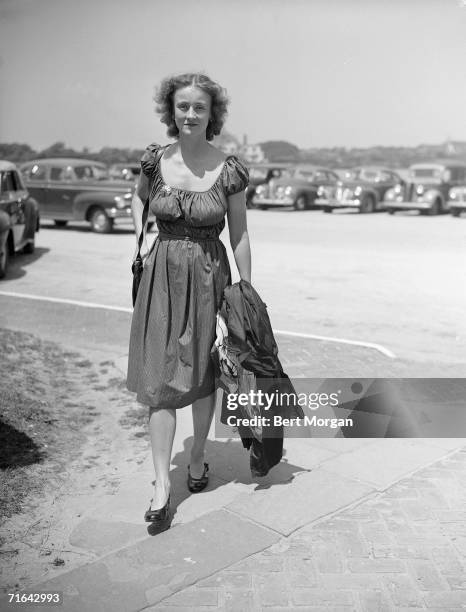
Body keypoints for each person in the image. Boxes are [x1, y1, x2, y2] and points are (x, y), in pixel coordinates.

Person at [126, 73, 251, 528]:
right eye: (183, 107)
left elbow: (238, 233)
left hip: (209, 278)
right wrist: (141, 242)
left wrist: (244, 292)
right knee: (159, 382)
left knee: (202, 374)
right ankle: (162, 484)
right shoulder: (154, 161)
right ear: (170, 111)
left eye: (199, 107)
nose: (190, 115)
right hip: (161, 278)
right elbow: (139, 201)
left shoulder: (229, 168)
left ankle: (197, 454)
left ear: (211, 114)